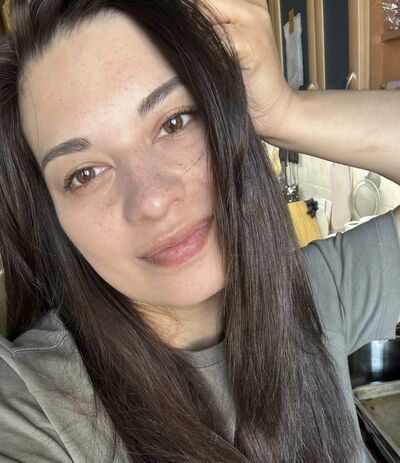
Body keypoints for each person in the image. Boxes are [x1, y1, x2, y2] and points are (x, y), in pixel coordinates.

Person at [0, 0, 399, 462]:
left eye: (174, 122)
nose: (152, 200)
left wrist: (287, 111)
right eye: (84, 174)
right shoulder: (34, 410)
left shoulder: (317, 293)